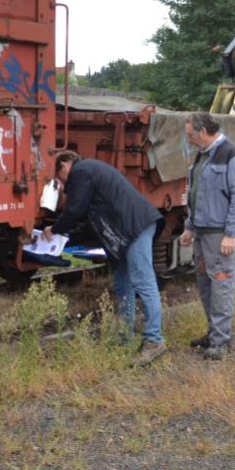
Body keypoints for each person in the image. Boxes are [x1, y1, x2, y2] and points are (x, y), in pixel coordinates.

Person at [44, 151, 167, 365]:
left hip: (133, 227)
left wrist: (54, 229)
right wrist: (64, 238)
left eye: (58, 178)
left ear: (64, 165)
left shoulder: (81, 171)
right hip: (127, 230)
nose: (61, 185)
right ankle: (124, 337)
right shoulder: (90, 171)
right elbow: (88, 220)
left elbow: (75, 210)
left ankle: (154, 341)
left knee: (143, 282)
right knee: (123, 284)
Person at [179, 112, 235, 360]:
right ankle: (214, 333)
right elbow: (195, 195)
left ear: (203, 132)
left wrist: (231, 234)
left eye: (190, 135)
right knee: (206, 286)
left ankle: (221, 341)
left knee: (221, 285)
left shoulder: (232, 155)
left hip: (219, 235)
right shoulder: (202, 157)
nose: (188, 140)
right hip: (201, 233)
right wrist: (189, 227)